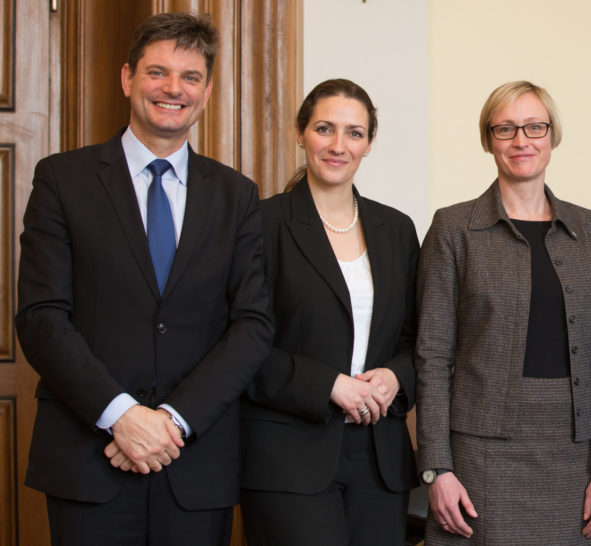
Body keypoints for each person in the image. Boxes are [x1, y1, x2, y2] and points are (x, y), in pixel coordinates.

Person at [15, 12, 273, 546]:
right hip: (89, 459)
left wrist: (173, 421)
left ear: (206, 91)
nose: (173, 89)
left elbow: (252, 325)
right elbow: (41, 318)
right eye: (158, 72)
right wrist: (122, 416)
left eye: (190, 77)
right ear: (128, 78)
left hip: (195, 463)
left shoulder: (237, 196)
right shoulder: (62, 180)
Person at [416, 81, 591, 544]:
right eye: (505, 129)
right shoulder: (454, 229)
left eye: (534, 126)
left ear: (552, 136)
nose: (521, 141)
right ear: (488, 140)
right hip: (478, 455)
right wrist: (437, 468)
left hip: (575, 453)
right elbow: (431, 357)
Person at [239, 78, 419, 546]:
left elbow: (419, 340)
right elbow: (238, 344)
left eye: (354, 133)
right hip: (288, 457)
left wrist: (396, 377)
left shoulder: (397, 229)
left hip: (379, 457)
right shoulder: (261, 224)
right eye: (325, 129)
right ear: (300, 133)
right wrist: (327, 385)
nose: (339, 146)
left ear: (369, 143)